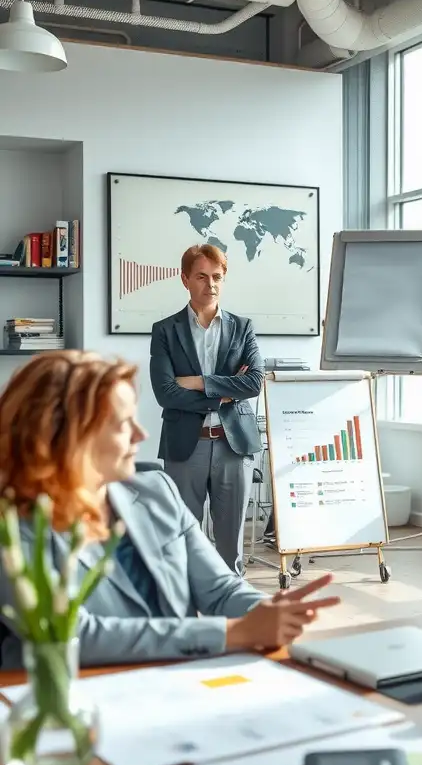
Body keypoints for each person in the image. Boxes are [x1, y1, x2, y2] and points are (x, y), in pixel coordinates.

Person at [0, 352, 339, 669]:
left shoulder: (155, 491)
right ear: (63, 434)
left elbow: (220, 590)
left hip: (181, 680)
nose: (141, 434)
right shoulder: (12, 523)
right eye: (121, 424)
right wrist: (233, 633)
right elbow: (70, 636)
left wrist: (267, 612)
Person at [150, 243, 264, 576]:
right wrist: (225, 391)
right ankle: (188, 606)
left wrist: (198, 382)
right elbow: (166, 393)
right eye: (201, 276)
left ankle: (233, 606)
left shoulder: (242, 328)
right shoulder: (165, 331)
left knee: (231, 541)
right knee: (185, 536)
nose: (210, 284)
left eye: (217, 277)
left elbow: (254, 383)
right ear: (185, 279)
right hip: (186, 445)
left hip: (234, 444)